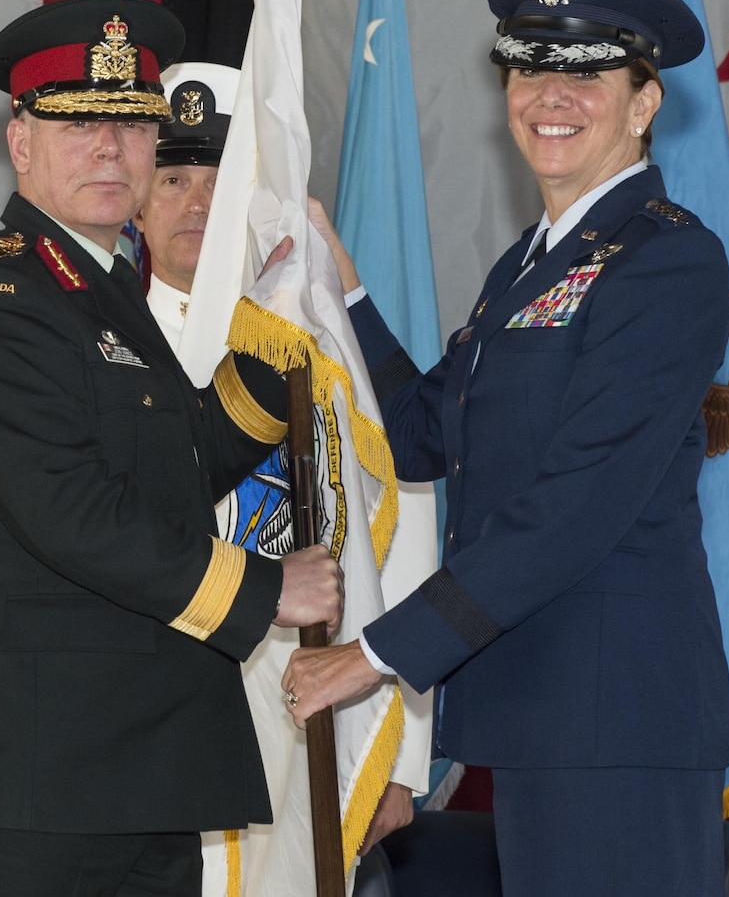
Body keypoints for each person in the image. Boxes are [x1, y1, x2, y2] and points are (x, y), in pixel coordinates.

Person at [283, 0, 729, 894]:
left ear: (644, 103)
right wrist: (343, 293)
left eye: (585, 72)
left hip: (619, 724)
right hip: (543, 715)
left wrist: (374, 655)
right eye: (530, 67)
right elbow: (421, 434)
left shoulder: (668, 263)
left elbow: (579, 503)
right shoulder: (529, 266)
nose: (549, 96)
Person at [0, 0, 343, 897]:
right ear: (21, 142)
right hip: (36, 792)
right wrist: (266, 589)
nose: (111, 149)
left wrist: (278, 330)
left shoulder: (103, 293)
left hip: (140, 778)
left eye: (132, 123)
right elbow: (76, 516)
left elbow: (173, 468)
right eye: (79, 125)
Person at [135, 64, 430, 879]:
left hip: (296, 697)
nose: (196, 204)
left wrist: (398, 754)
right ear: (134, 195)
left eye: (220, 183)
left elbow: (398, 522)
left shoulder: (313, 346)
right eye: (172, 177)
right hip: (141, 709)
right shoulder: (94, 344)